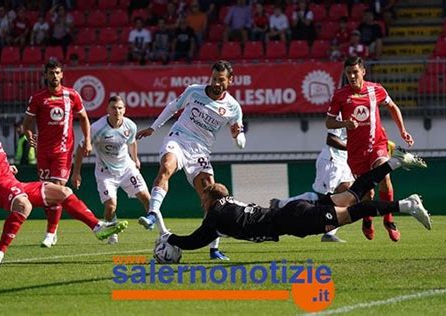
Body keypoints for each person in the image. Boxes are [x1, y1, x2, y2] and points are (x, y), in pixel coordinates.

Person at [160, 148, 429, 253]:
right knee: (352, 195)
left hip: (294, 220)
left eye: (203, 200)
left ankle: (406, 205)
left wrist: (170, 239)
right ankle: (393, 163)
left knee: (352, 211)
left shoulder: (216, 214)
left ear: (209, 199)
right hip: (292, 212)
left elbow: (195, 240)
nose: (201, 204)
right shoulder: (228, 204)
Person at [0, 80, 128, 270]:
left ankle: (98, 228)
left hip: (11, 181)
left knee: (63, 191)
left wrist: (7, 167)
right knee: (23, 205)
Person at [136, 60, 245, 260]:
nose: (216, 83)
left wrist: (237, 136)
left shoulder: (233, 107)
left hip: (201, 151)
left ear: (231, 80)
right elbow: (172, 107)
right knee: (167, 166)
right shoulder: (194, 91)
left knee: (213, 195)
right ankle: (152, 214)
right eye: (213, 78)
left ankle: (214, 249)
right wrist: (154, 127)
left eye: (221, 79)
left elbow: (241, 143)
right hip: (178, 138)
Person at [326, 56, 415, 242]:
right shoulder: (340, 95)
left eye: (355, 72)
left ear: (363, 72)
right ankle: (367, 219)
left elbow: (393, 107)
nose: (352, 76)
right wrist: (344, 123)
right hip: (356, 152)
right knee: (368, 193)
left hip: (377, 144)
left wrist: (403, 131)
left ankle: (389, 220)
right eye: (348, 72)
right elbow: (329, 122)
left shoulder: (376, 89)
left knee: (384, 173)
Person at [23, 60, 92, 248]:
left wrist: (87, 140)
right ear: (45, 75)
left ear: (62, 75)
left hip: (63, 151)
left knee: (58, 187)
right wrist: (30, 136)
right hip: (43, 152)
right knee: (48, 192)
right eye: (51, 73)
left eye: (57, 73)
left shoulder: (72, 95)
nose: (54, 76)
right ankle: (52, 231)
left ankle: (50, 233)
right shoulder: (38, 98)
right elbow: (25, 125)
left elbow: (84, 118)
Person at [71, 96, 151, 245]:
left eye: (120, 108)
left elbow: (131, 142)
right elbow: (81, 148)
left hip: (127, 168)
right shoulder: (97, 128)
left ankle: (160, 229)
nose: (117, 111)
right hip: (105, 172)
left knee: (147, 197)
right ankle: (112, 230)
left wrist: (135, 159)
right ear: (107, 110)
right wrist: (76, 173)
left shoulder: (130, 126)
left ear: (124, 110)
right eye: (113, 108)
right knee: (110, 206)